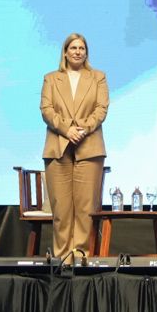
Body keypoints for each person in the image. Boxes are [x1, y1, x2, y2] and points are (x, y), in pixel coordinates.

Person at [39, 32, 109, 260]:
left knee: (85, 209)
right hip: (58, 147)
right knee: (61, 209)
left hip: (89, 147)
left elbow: (101, 109)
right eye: (74, 48)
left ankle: (80, 257)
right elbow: (46, 109)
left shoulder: (98, 77)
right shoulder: (51, 78)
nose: (78, 52)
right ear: (65, 52)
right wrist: (66, 129)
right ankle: (62, 258)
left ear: (86, 53)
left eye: (82, 48)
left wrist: (83, 129)